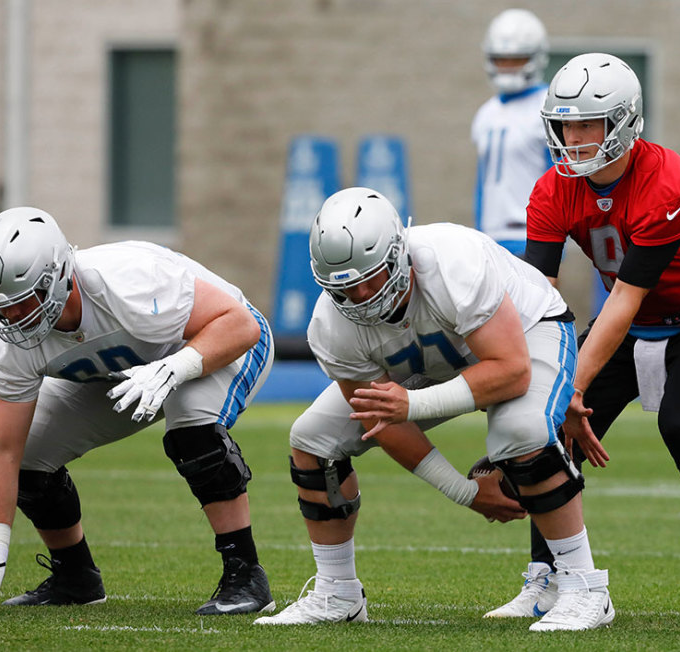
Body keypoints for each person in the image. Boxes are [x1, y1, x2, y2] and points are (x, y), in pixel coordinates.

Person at [254, 187, 613, 632]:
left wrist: (411, 403)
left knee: (521, 430)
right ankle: (337, 592)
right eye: (345, 287)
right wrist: (464, 491)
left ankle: (585, 588)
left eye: (372, 276)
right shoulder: (331, 326)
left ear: (398, 253)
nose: (363, 295)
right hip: (428, 362)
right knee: (312, 441)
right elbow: (378, 421)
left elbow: (512, 370)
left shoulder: (453, 261)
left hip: (526, 332)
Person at [497, 52, 680, 623]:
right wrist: (552, 391)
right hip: (637, 316)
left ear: (623, 122)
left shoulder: (670, 182)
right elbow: (540, 296)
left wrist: (572, 383)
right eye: (564, 124)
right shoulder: (550, 192)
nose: (571, 137)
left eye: (585, 124)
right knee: (546, 426)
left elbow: (624, 297)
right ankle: (552, 578)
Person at [0, 207, 275, 615]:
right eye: (4, 307)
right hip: (120, 372)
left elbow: (239, 324)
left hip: (217, 341)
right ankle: (75, 577)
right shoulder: (9, 345)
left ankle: (246, 576)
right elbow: (0, 450)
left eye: (26, 300)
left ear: (58, 276)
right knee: (29, 453)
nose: (16, 318)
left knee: (191, 425)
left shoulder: (129, 279)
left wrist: (174, 368)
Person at [471, 8, 553, 256]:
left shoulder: (549, 105)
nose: (507, 67)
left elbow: (559, 179)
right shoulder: (486, 112)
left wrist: (554, 238)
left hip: (533, 235)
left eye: (516, 59)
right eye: (501, 60)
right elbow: (483, 181)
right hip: (491, 236)